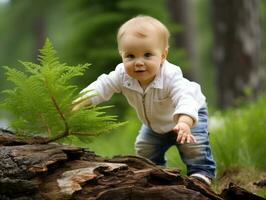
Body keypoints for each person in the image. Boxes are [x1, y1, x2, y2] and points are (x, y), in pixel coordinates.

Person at [72, 15, 216, 185]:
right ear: (122, 55)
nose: (138, 62)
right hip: (154, 124)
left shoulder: (171, 76)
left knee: (193, 147)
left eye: (147, 55)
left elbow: (185, 97)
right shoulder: (122, 75)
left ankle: (201, 172)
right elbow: (103, 85)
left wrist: (185, 122)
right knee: (145, 148)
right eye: (130, 56)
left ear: (163, 55)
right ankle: (157, 172)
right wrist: (79, 102)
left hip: (189, 116)